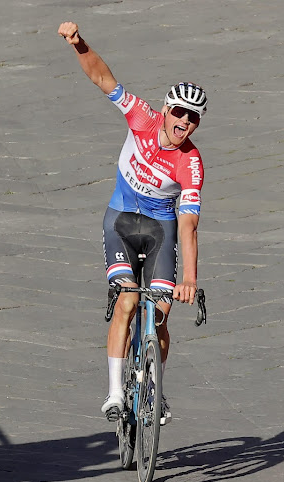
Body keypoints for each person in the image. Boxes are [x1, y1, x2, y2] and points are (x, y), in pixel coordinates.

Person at [58, 22, 206, 426]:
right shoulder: (142, 116)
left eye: (193, 118)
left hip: (160, 231)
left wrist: (188, 279)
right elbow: (103, 78)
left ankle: (154, 386)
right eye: (179, 113)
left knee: (158, 314)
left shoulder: (191, 164)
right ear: (166, 109)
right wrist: (79, 44)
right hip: (121, 221)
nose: (184, 122)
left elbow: (188, 224)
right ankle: (115, 393)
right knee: (126, 300)